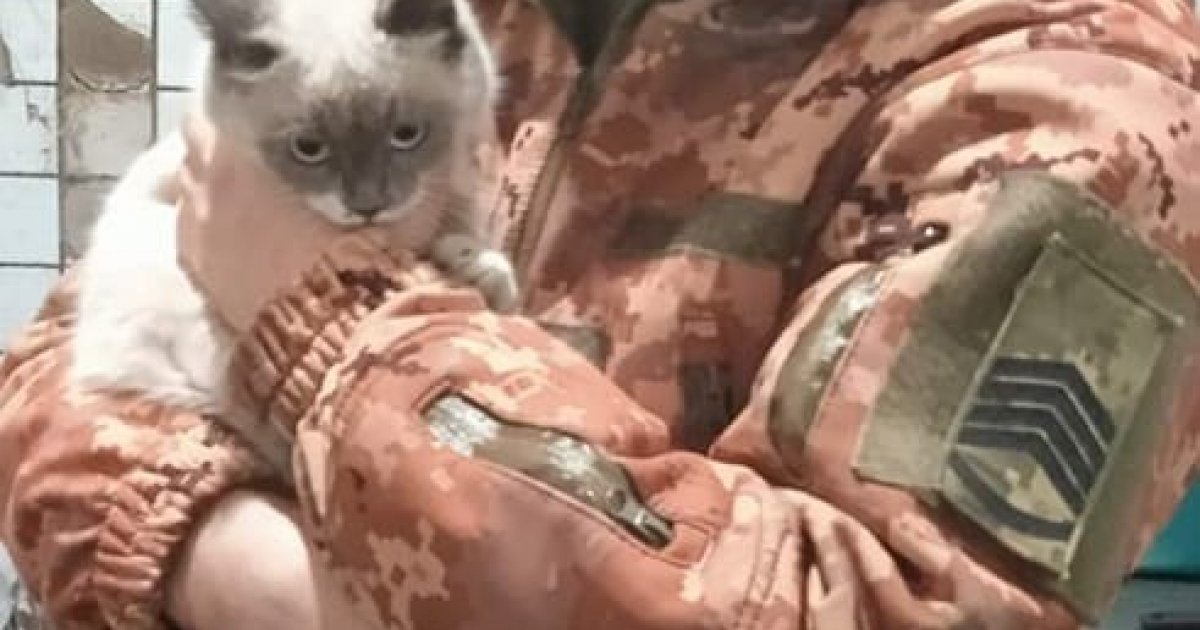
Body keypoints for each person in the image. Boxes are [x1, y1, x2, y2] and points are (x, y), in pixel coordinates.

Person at [3, 0, 1200, 628]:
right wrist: (254, 580)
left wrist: (318, 318)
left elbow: (886, 612)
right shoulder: (481, 23)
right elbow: (48, 390)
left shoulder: (1080, 97)